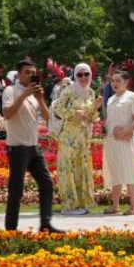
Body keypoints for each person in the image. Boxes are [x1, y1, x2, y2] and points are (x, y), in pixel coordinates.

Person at [2, 60, 63, 233]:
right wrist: (23, 95)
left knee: (47, 184)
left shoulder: (35, 94)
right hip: (17, 147)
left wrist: (40, 98)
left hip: (33, 146)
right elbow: (7, 114)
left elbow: (47, 117)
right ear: (19, 74)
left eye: (33, 72)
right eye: (27, 72)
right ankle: (11, 229)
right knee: (16, 190)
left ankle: (45, 223)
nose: (30, 75)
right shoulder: (10, 90)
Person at [53, 63, 100, 216]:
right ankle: (69, 204)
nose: (83, 78)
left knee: (82, 168)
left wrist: (96, 108)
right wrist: (74, 113)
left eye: (86, 74)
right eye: (80, 74)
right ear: (74, 75)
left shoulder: (91, 93)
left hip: (83, 137)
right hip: (69, 137)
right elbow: (57, 109)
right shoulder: (69, 90)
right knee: (69, 168)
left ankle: (80, 202)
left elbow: (91, 118)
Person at [103, 70, 134, 214]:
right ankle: (115, 206)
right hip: (112, 140)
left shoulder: (132, 97)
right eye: (113, 81)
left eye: (118, 81)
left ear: (126, 82)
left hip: (126, 140)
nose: (114, 84)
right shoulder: (111, 99)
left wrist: (125, 132)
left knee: (129, 169)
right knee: (115, 171)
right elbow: (109, 120)